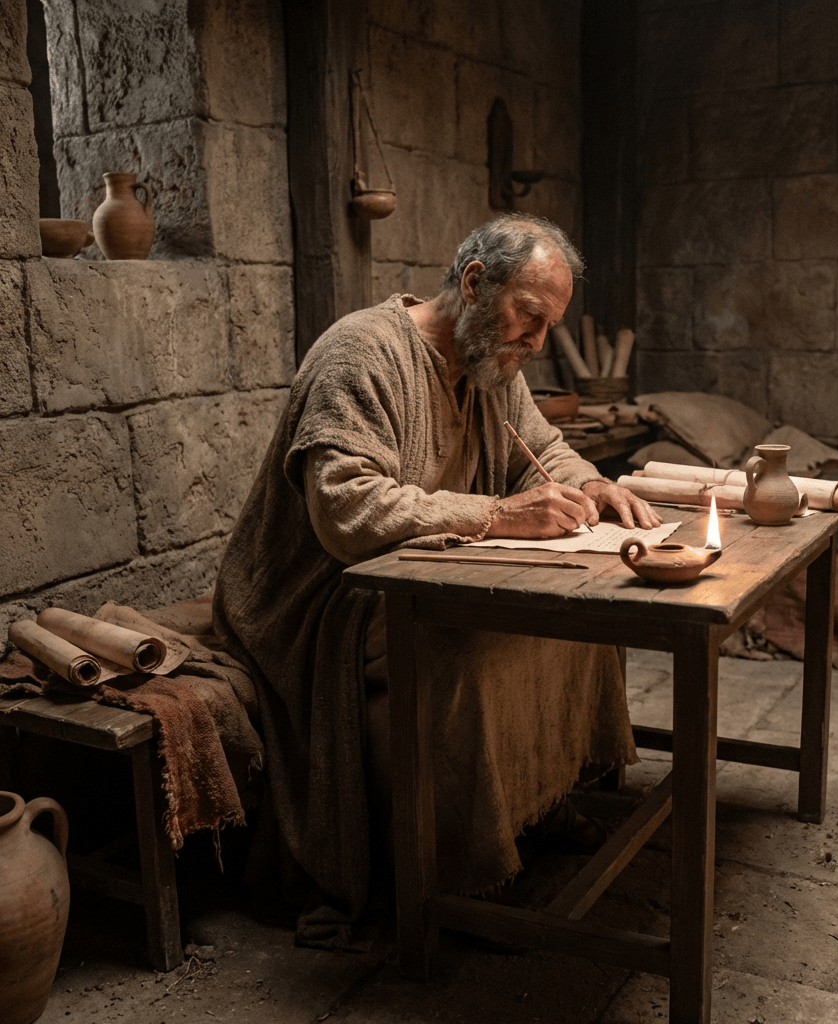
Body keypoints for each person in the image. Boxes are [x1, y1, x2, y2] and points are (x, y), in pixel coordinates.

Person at [213, 213, 661, 944]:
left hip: (419, 569)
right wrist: (499, 515)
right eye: (530, 318)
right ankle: (446, 873)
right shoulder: (360, 354)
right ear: (476, 282)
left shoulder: (491, 363)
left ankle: (539, 805)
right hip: (318, 597)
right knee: (466, 649)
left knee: (580, 618)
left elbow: (543, 451)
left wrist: (594, 485)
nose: (537, 343)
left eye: (549, 325)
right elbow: (346, 512)